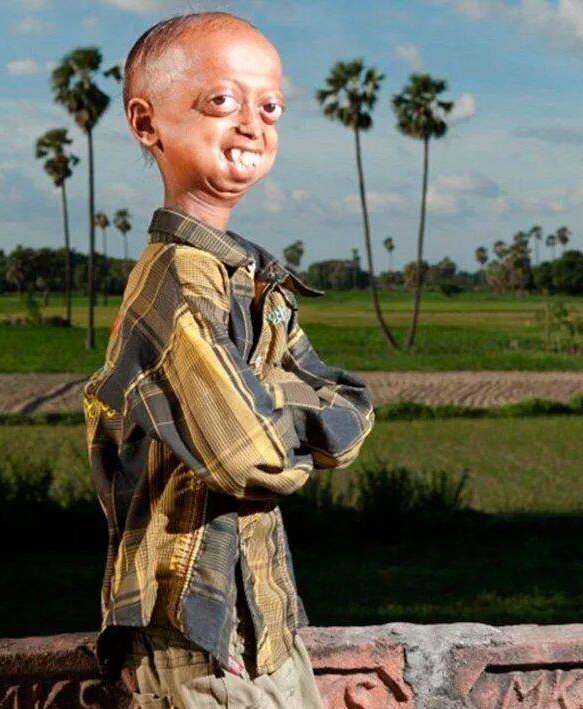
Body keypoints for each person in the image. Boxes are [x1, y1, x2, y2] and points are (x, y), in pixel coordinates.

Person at [82, 11, 375, 708]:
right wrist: (284, 416)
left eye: (269, 107)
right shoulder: (175, 284)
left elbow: (355, 408)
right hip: (200, 641)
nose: (252, 124)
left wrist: (267, 408)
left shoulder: (246, 278)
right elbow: (251, 456)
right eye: (221, 101)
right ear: (147, 123)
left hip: (265, 623)